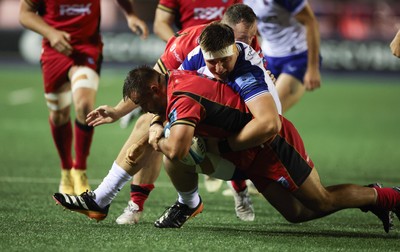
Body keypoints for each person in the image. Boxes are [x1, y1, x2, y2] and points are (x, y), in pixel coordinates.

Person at [52, 18, 279, 225]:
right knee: (153, 123)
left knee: (172, 142)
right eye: (240, 39)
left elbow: (267, 118)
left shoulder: (247, 53)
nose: (245, 44)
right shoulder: (186, 48)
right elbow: (154, 85)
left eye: (249, 39)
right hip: (209, 119)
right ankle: (127, 202)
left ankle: (222, 192)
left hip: (246, 142)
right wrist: (124, 113)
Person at [19, 0, 149, 195]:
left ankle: (80, 170)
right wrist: (51, 33)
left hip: (87, 48)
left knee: (84, 105)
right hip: (55, 51)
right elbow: (25, 13)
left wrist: (130, 14)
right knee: (58, 115)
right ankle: (66, 170)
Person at [243, 0, 321, 113]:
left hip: (297, 57)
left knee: (270, 112)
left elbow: (310, 21)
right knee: (252, 112)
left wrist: (313, 68)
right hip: (268, 56)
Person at [153, 0, 242, 42]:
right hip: (191, 47)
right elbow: (160, 24)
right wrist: (179, 44)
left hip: (227, 47)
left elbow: (242, 20)